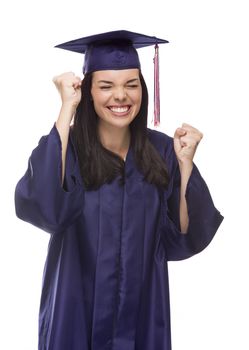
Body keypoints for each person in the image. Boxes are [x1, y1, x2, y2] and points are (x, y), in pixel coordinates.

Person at [15, 30, 223, 350]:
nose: (121, 96)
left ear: (143, 87)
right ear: (88, 91)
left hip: (142, 317)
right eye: (106, 86)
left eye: (131, 84)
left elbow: (181, 239)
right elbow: (47, 211)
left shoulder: (163, 151)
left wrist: (184, 165)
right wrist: (66, 110)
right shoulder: (68, 147)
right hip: (74, 316)